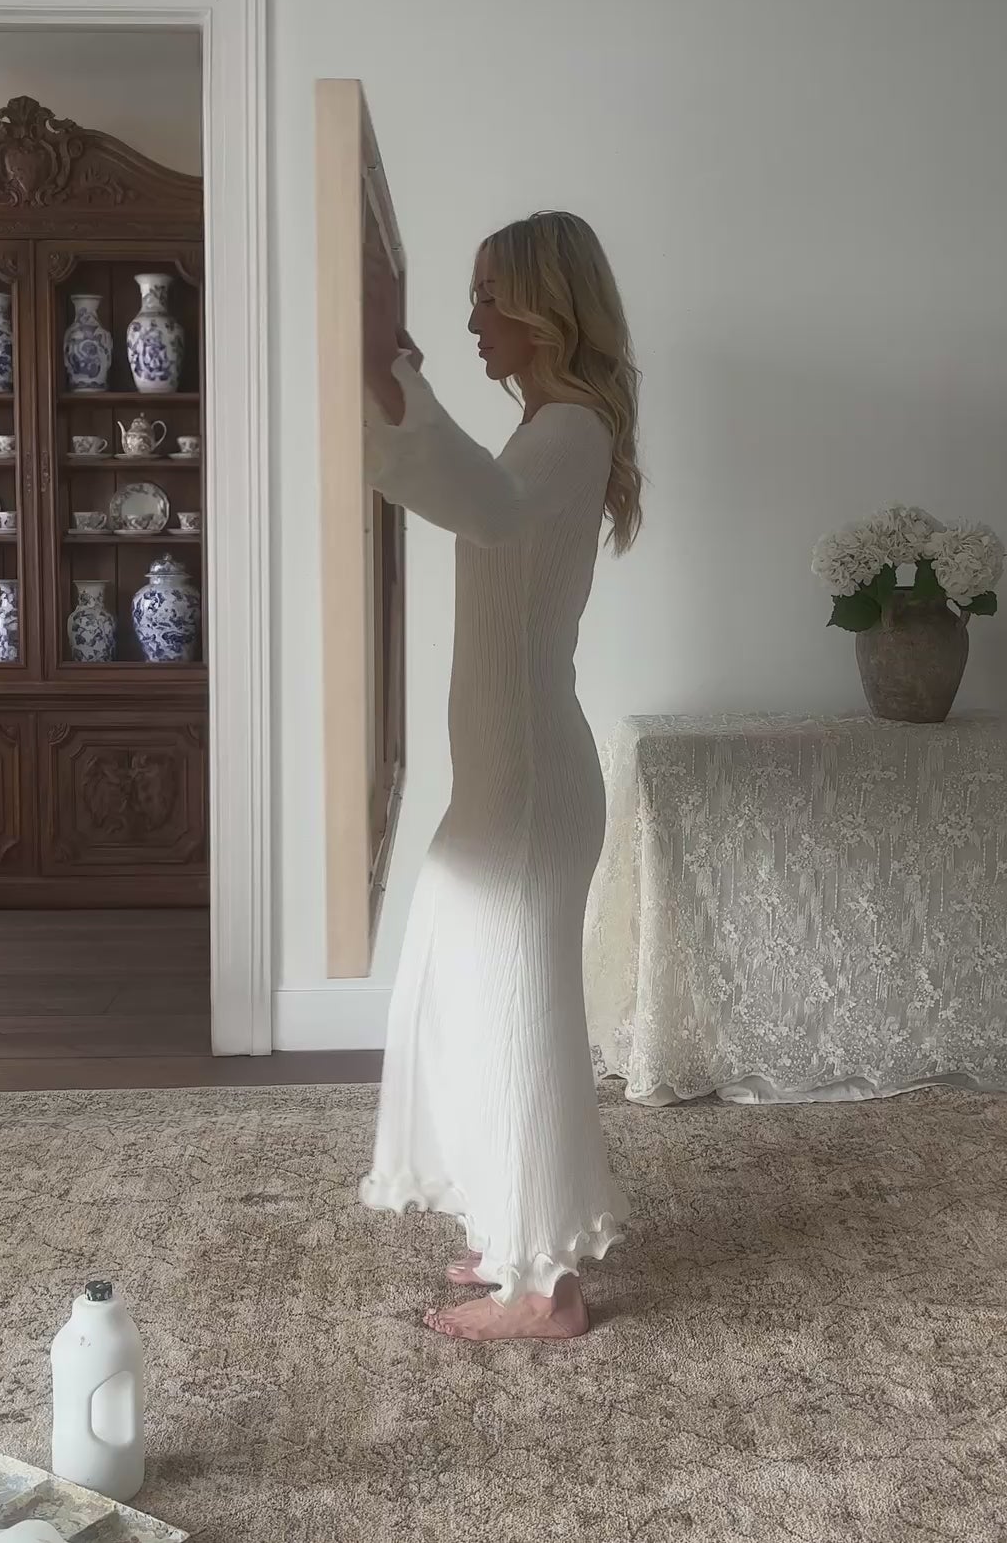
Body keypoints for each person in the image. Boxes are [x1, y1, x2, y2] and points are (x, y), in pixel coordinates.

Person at [358, 210, 644, 1341]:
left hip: (526, 785)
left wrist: (387, 376)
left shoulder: (566, 429)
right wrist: (393, 386)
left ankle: (543, 1289)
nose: (471, 317)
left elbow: (471, 500)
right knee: (467, 994)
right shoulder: (546, 428)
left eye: (488, 296)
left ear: (542, 306)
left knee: (517, 1015)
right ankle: (511, 1225)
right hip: (507, 777)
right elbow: (461, 485)